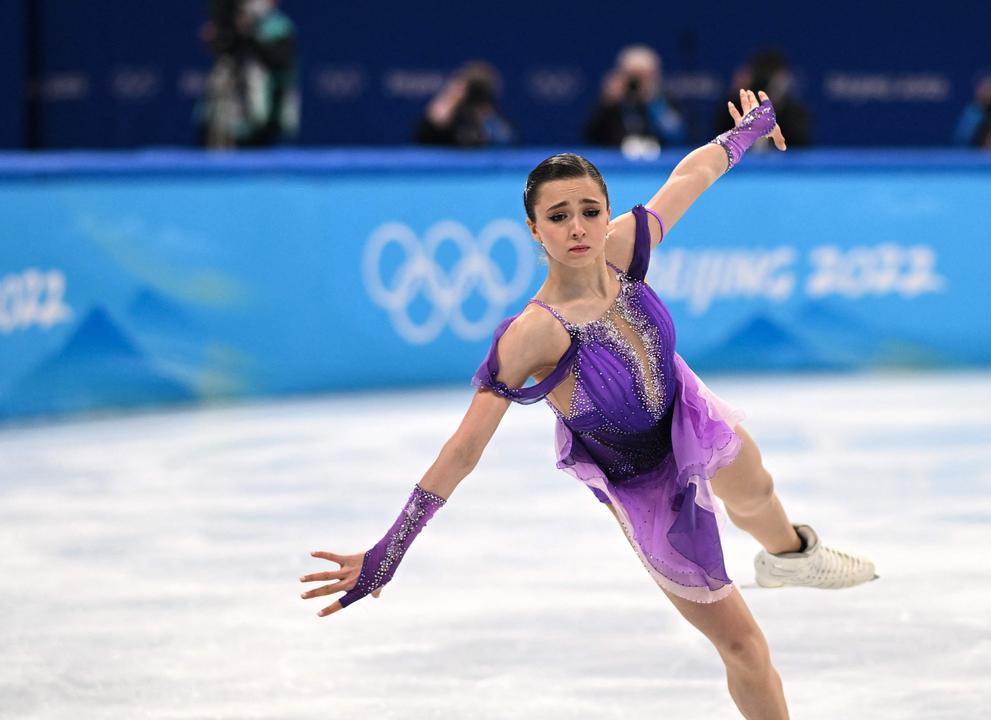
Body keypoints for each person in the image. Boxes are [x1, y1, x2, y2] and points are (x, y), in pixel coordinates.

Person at [302, 90, 876, 719]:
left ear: (605, 214)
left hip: (682, 406)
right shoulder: (533, 334)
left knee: (756, 490)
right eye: (558, 216)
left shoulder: (624, 248)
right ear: (533, 229)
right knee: (744, 647)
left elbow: (691, 175)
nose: (576, 228)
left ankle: (792, 557)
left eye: (588, 211)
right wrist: (392, 548)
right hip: (642, 482)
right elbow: (464, 449)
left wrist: (746, 135)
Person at [197, 0, 298, 148]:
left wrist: (252, 34)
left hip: (264, 116)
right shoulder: (235, 22)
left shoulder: (280, 26)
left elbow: (280, 62)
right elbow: (223, 49)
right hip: (229, 113)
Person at [582, 44, 685, 156]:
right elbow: (590, 137)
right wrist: (607, 102)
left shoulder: (665, 99)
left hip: (658, 164)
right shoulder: (611, 102)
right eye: (633, 75)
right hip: (615, 164)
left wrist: (653, 102)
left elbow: (676, 135)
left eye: (644, 75)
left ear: (655, 75)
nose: (637, 82)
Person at [717, 49, 811, 148]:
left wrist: (776, 106)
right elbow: (722, 140)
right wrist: (735, 95)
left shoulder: (795, 113)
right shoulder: (736, 108)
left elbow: (799, 148)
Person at [414, 61, 516, 147]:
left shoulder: (497, 126)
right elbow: (424, 136)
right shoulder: (447, 123)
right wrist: (451, 97)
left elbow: (507, 143)